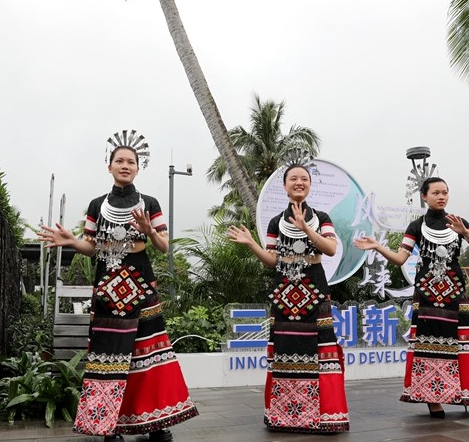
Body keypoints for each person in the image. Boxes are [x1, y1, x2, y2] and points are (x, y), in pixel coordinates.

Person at [38, 131, 198, 442]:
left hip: (141, 286)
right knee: (107, 355)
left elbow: (164, 247)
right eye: (119, 161)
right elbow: (91, 247)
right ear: (109, 166)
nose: (125, 165)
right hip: (108, 289)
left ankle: (156, 423)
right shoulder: (97, 205)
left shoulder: (149, 202)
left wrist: (150, 231)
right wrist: (71, 241)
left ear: (139, 168)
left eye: (131, 162)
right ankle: (108, 424)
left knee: (149, 354)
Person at [353, 177, 469, 418]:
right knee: (430, 345)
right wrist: (377, 246)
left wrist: (465, 234)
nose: (442, 197)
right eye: (436, 193)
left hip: (454, 290)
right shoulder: (416, 226)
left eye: (445, 192)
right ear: (424, 196)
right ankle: (433, 399)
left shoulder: (458, 222)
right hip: (428, 293)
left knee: (465, 344)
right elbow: (400, 259)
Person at [227, 164, 349, 433]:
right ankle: (287, 416)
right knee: (285, 348)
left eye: (304, 178)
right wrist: (252, 244)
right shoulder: (275, 222)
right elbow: (272, 261)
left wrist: (306, 227)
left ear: (309, 185)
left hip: (315, 289)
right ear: (284, 186)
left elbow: (329, 249)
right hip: (284, 291)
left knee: (321, 348)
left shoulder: (322, 217)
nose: (299, 182)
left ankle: (325, 415)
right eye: (293, 178)